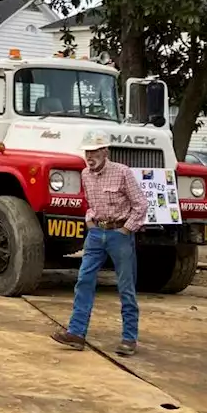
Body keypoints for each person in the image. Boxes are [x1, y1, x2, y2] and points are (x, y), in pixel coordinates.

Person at [51, 129, 147, 356]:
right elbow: (90, 203)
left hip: (119, 233)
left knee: (125, 286)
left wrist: (126, 229)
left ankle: (129, 338)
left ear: (105, 151)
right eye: (87, 152)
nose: (90, 156)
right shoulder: (85, 174)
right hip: (96, 234)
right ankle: (76, 333)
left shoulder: (122, 173)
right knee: (84, 280)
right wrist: (90, 222)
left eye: (94, 151)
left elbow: (141, 205)